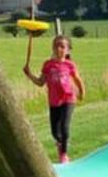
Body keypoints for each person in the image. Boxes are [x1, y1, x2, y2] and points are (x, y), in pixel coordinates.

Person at [25, 34, 85, 163]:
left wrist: (82, 92)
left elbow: (77, 79)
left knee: (64, 127)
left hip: (68, 99)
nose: (59, 49)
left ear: (68, 50)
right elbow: (41, 82)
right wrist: (29, 74)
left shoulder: (70, 65)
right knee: (54, 132)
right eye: (56, 46)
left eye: (62, 46)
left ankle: (64, 154)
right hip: (54, 101)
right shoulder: (48, 65)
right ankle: (60, 143)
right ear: (53, 48)